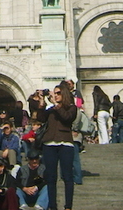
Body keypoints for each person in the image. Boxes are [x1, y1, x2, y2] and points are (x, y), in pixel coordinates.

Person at [39, 81, 77, 210]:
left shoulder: (71, 107)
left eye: (58, 93)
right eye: (54, 93)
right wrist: (42, 103)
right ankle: (53, 206)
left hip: (65, 143)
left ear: (64, 94)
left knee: (67, 176)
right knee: (51, 177)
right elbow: (40, 118)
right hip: (49, 143)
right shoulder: (51, 110)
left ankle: (68, 206)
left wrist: (56, 105)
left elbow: (67, 118)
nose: (55, 96)